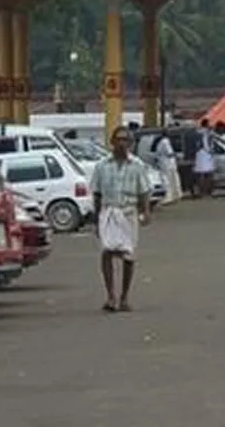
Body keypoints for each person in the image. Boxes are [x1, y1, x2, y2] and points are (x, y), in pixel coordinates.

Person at [90, 126, 152, 312]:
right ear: (112, 142)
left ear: (131, 144)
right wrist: (96, 219)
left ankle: (124, 297)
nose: (122, 143)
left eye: (126, 140)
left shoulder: (138, 166)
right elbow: (97, 193)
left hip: (128, 212)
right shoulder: (102, 166)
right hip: (109, 211)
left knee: (128, 255)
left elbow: (144, 191)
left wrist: (146, 212)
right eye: (119, 139)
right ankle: (111, 296)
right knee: (107, 251)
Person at [152, 130, 182, 205]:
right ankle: (172, 196)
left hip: (166, 164)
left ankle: (172, 196)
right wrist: (177, 155)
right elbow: (169, 153)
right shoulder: (165, 141)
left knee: (170, 180)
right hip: (167, 164)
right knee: (170, 180)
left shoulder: (161, 142)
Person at [193, 120, 216, 197]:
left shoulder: (198, 132)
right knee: (207, 174)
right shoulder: (205, 133)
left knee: (201, 174)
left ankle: (202, 191)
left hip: (200, 154)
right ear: (206, 124)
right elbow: (206, 144)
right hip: (205, 154)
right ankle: (205, 191)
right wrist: (210, 151)